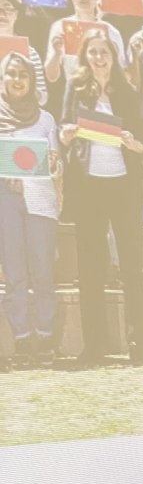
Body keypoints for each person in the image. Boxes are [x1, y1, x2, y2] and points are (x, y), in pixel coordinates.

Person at [59, 29, 143, 365]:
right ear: (85, 57)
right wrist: (66, 135)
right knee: (91, 266)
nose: (99, 58)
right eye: (93, 52)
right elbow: (62, 131)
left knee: (131, 264)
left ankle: (139, 342)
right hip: (88, 186)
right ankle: (94, 346)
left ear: (114, 58)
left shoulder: (127, 92)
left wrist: (134, 143)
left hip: (124, 185)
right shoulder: (75, 88)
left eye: (105, 52)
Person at [0, 53, 60, 366]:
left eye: (23, 74)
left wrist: (53, 162)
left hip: (39, 200)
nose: (17, 80)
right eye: (11, 74)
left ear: (32, 79)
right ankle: (22, 338)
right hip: (5, 201)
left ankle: (45, 335)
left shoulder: (46, 119)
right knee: (14, 272)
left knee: (43, 270)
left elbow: (57, 164)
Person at [44, 0, 127, 95]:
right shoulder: (59, 27)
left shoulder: (111, 32)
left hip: (105, 97)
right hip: (74, 95)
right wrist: (57, 53)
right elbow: (51, 77)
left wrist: (114, 58)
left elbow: (123, 76)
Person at [0, 0, 49, 105]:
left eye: (7, 8)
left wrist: (23, 86)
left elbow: (43, 98)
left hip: (17, 112)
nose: (2, 14)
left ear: (16, 15)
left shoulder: (29, 52)